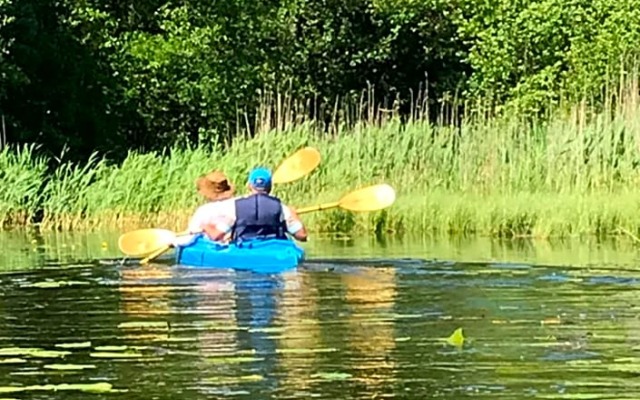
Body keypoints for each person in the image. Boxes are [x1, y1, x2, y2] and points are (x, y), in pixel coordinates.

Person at [201, 167, 308, 243]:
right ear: (270, 186)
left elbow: (216, 236)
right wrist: (294, 215)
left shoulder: (235, 207)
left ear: (250, 185)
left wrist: (206, 226)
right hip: (275, 252)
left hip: (245, 249)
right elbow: (302, 236)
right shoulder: (282, 208)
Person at [174, 170, 236, 246]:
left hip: (211, 246)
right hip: (234, 243)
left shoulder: (204, 210)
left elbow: (189, 237)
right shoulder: (238, 203)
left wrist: (173, 242)